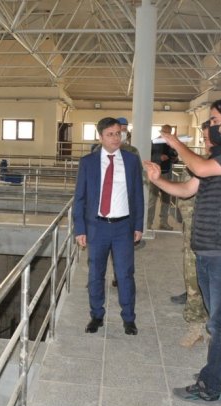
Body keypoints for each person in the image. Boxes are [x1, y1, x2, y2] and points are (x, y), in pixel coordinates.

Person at [143, 97, 221, 403]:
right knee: (220, 316)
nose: (210, 126)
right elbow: (186, 190)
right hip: (208, 249)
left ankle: (209, 386)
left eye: (213, 120)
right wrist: (158, 180)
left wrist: (174, 142)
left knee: (219, 321)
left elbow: (197, 165)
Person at [73, 117, 144, 336]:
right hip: (97, 227)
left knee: (125, 274)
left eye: (118, 133)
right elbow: (80, 197)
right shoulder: (88, 162)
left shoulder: (131, 160)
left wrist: (139, 225)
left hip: (123, 227)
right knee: (96, 274)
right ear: (100, 137)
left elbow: (138, 195)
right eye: (110, 134)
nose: (115, 138)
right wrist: (80, 229)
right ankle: (96, 315)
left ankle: (129, 318)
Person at [171, 121, 212, 348]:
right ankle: (195, 327)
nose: (207, 143)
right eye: (204, 138)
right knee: (193, 281)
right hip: (195, 237)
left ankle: (214, 329)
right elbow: (185, 199)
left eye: (210, 138)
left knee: (217, 287)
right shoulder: (197, 165)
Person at [147, 124, 177, 230]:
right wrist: (159, 157)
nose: (167, 134)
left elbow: (175, 158)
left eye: (169, 133)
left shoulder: (171, 144)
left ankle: (163, 222)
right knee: (152, 199)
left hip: (167, 174)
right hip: (156, 175)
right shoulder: (154, 142)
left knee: (166, 200)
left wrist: (174, 157)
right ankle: (148, 224)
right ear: (161, 132)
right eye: (165, 132)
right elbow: (147, 157)